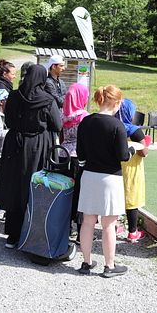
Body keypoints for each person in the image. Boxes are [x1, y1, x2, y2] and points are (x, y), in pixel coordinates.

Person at [0, 64, 62, 248]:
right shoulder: (47, 99)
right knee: (34, 187)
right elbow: (57, 124)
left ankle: (12, 234)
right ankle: (31, 233)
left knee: (15, 186)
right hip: (37, 146)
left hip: (15, 145)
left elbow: (8, 121)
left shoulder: (15, 95)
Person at [76, 85, 135, 277]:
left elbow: (81, 153)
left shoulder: (86, 121)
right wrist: (133, 150)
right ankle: (109, 265)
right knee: (109, 224)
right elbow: (123, 156)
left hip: (89, 175)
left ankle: (86, 262)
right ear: (116, 102)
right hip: (110, 178)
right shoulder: (117, 126)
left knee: (88, 221)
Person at [116, 98, 150, 242]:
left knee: (116, 197)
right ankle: (132, 232)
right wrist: (147, 143)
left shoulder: (114, 126)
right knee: (132, 199)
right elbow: (144, 152)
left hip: (115, 166)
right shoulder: (134, 130)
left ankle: (115, 226)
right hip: (131, 168)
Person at [60, 83, 90, 236]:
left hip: (62, 155)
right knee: (79, 193)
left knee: (64, 192)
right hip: (78, 157)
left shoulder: (63, 114)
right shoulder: (84, 116)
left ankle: (64, 228)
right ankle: (80, 232)